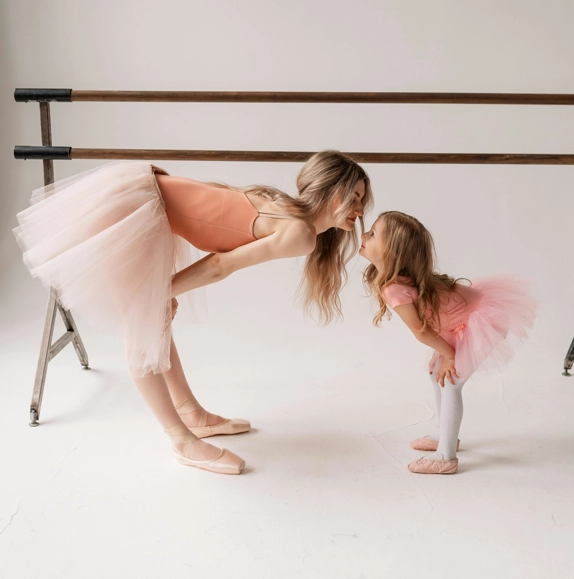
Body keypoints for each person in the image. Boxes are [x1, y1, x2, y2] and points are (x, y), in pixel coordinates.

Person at [14, 151, 372, 475]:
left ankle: (191, 413)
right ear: (332, 191)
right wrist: (162, 292)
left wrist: (165, 291)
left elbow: (215, 244)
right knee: (143, 328)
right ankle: (182, 440)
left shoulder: (285, 207)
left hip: (143, 198)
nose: (360, 210)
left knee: (155, 322)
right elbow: (220, 265)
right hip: (135, 208)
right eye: (354, 197)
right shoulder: (300, 233)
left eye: (362, 199)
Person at [360, 211, 537, 475]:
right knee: (436, 374)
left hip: (484, 321)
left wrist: (450, 355)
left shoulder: (394, 288)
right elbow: (435, 322)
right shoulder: (398, 281)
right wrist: (444, 351)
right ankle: (446, 436)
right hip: (462, 323)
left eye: (373, 234)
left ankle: (446, 456)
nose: (364, 235)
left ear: (392, 253)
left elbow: (420, 331)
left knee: (450, 382)